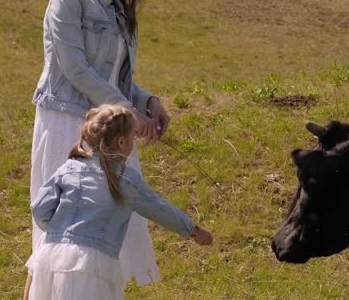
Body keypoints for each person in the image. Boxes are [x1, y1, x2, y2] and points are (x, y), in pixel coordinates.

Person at [26, 0, 171, 298]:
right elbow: (75, 69)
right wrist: (126, 108)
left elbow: (117, 79)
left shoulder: (122, 13)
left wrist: (147, 102)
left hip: (109, 126)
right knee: (59, 224)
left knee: (110, 223)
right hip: (67, 119)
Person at [25, 104, 213, 300]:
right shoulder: (127, 180)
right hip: (90, 268)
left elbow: (39, 209)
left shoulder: (69, 167)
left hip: (50, 261)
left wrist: (58, 231)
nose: (134, 141)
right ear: (122, 142)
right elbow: (160, 209)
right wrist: (193, 230)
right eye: (133, 136)